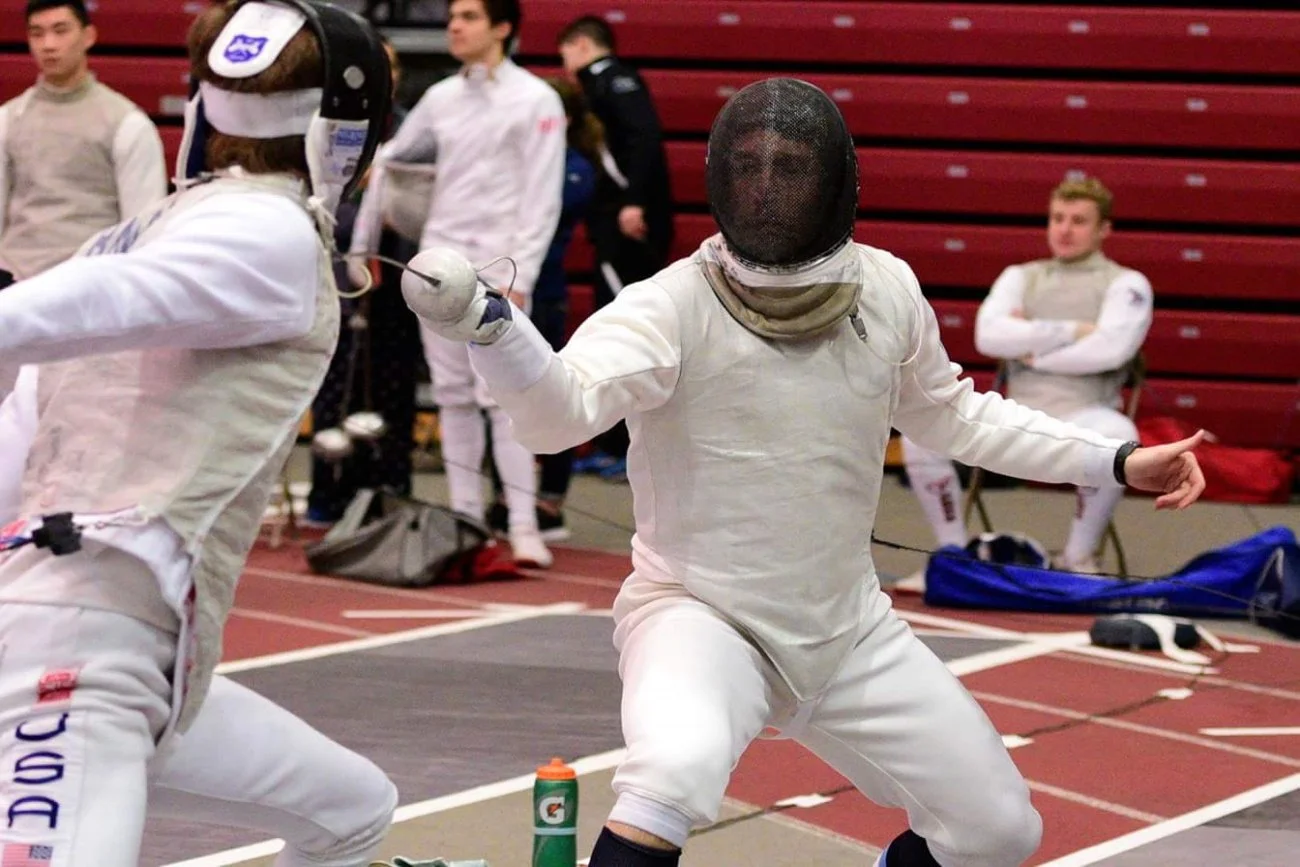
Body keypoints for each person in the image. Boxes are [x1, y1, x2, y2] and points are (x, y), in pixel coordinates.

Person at [399, 79, 1207, 867]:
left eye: (791, 167)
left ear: (836, 180)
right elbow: (556, 414)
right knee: (671, 774)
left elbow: (960, 416)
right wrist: (494, 329)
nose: (767, 187)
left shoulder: (885, 287)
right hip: (701, 615)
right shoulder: (671, 303)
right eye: (749, 165)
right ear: (721, 177)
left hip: (845, 625)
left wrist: (1118, 460)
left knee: (999, 831)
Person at [0, 2, 400, 864]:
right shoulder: (264, 229)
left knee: (353, 809)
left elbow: (27, 407)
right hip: (81, 651)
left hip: (132, 644)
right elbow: (92, 310)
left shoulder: (147, 231)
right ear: (344, 135)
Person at [348, 0, 565, 568]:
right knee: (452, 397)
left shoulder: (536, 98)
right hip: (437, 265)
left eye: (468, 16)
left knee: (504, 399)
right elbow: (389, 159)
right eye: (452, 17)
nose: (454, 26)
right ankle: (467, 519)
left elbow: (543, 196)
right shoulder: (441, 98)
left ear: (502, 27)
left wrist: (526, 275)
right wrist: (360, 249)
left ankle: (521, 525)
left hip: (500, 268)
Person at [901, 177, 1153, 574]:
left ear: (1104, 229)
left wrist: (1031, 347)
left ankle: (1078, 557)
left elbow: (1110, 350)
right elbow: (988, 336)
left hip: (1084, 414)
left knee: (1121, 437)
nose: (1065, 229)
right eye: (1057, 218)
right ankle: (953, 554)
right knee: (920, 437)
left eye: (1078, 220)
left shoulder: (1127, 283)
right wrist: (1073, 331)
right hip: (1015, 413)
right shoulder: (1020, 275)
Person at [306, 37, 423, 527]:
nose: (383, 73)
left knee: (393, 389)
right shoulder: (328, 124)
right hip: (338, 278)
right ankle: (329, 495)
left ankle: (389, 493)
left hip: (396, 278)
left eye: (391, 65)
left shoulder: (417, 128)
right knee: (335, 390)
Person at [557, 14, 674, 481]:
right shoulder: (597, 87)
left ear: (583, 45)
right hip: (614, 223)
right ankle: (614, 443)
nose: (563, 62)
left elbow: (644, 139)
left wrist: (633, 201)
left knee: (625, 326)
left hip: (629, 227)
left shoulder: (615, 81)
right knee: (613, 322)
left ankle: (625, 446)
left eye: (566, 51)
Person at [487, 76, 599, 541]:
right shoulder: (514, 164)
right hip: (501, 287)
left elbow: (559, 204)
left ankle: (551, 498)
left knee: (549, 395)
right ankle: (502, 495)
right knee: (495, 398)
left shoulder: (572, 167)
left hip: (546, 292)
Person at [0, 0, 167, 283]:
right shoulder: (8, 119)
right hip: (14, 282)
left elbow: (143, 230)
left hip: (89, 284)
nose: (48, 44)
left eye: (60, 30)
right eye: (37, 33)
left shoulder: (126, 123)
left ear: (88, 36)